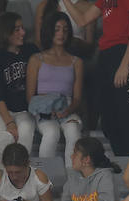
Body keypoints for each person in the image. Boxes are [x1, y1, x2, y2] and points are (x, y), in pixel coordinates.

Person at [64, 0, 129, 156]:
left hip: (125, 53)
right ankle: (124, 164)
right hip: (106, 56)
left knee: (127, 119)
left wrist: (125, 64)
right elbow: (82, 20)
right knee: (108, 119)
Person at [27, 12, 83, 165]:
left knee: (73, 131)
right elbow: (30, 95)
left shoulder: (76, 62)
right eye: (57, 29)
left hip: (67, 106)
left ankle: (73, 179)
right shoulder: (36, 59)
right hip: (43, 108)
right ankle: (46, 178)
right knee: (51, 132)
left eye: (65, 29)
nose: (61, 34)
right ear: (49, 31)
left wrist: (67, 110)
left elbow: (77, 98)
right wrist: (45, 110)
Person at [0, 12, 38, 159]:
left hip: (23, 110)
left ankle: (22, 175)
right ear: (5, 33)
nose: (23, 33)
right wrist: (9, 122)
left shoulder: (31, 50)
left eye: (22, 28)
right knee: (5, 137)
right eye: (17, 29)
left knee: (26, 131)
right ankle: (0, 179)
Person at [55, 136, 117, 201]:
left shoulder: (105, 176)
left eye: (75, 153)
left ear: (86, 160)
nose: (71, 156)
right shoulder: (72, 178)